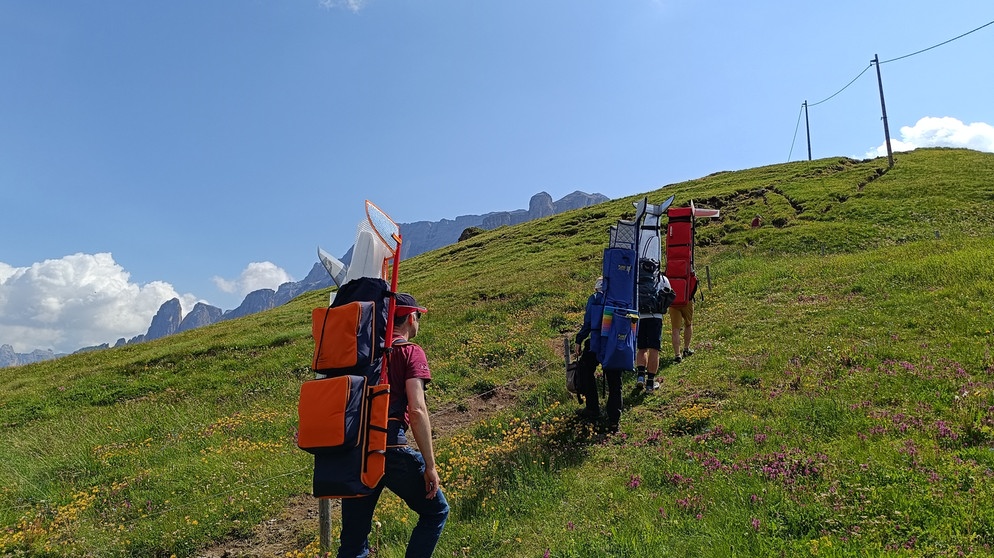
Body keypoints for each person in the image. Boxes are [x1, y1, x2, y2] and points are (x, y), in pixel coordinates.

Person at [338, 293, 449, 558]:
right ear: (411, 318)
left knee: (353, 542)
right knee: (436, 511)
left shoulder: (364, 355)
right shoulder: (410, 351)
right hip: (391, 448)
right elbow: (417, 408)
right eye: (418, 317)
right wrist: (430, 466)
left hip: (357, 453)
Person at [636, 262, 672, 392]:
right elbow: (669, 294)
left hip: (640, 316)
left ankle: (640, 376)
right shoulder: (662, 279)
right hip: (656, 317)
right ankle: (650, 382)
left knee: (642, 348)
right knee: (654, 349)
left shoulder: (638, 277)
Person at [573, 277, 604, 420]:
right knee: (614, 377)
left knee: (585, 369)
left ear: (596, 288)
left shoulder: (595, 299)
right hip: (616, 342)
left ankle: (592, 407)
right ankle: (614, 411)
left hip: (597, 341)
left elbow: (589, 323)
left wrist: (579, 339)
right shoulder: (617, 298)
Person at [669, 295, 694, 363]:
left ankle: (677, 355)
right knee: (688, 324)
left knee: (675, 329)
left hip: (673, 302)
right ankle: (686, 349)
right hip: (686, 300)